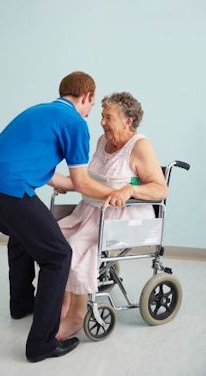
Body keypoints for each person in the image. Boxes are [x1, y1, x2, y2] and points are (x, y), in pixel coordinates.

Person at [0, 71, 121, 363]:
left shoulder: (38, 111)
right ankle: (42, 344)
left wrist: (76, 185)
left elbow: (53, 176)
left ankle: (22, 304)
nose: (91, 114)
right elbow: (81, 182)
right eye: (92, 105)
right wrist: (114, 193)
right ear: (86, 96)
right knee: (59, 255)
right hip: (10, 190)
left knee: (22, 238)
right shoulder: (75, 122)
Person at [45, 91, 168, 340]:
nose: (102, 121)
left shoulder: (140, 146)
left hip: (123, 217)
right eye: (102, 115)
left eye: (108, 117)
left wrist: (130, 188)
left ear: (128, 121)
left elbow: (160, 188)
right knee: (52, 238)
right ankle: (63, 301)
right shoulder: (103, 141)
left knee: (74, 248)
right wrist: (67, 183)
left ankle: (76, 316)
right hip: (91, 210)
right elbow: (88, 178)